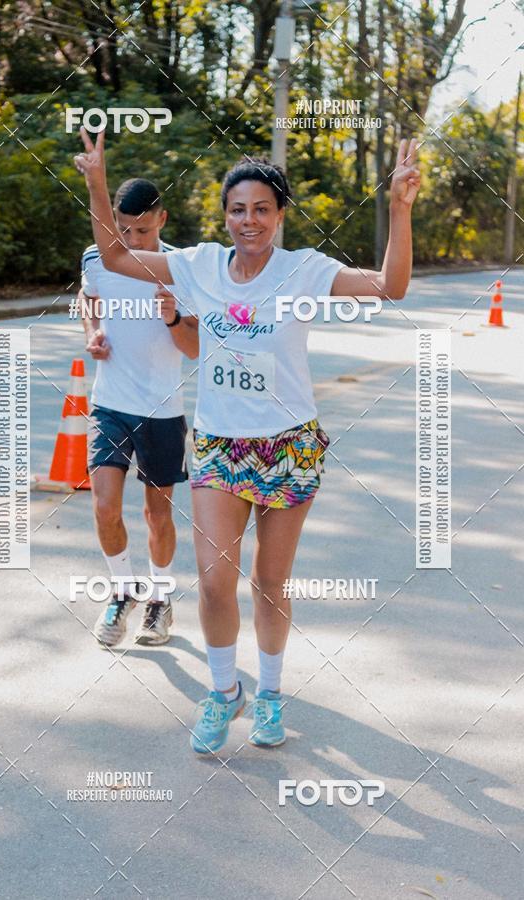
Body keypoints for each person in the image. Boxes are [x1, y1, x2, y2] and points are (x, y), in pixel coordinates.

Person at [74, 130, 420, 753]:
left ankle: (270, 696)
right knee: (214, 582)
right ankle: (223, 691)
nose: (249, 220)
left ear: (280, 214)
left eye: (262, 208)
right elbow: (116, 258)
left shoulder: (304, 269)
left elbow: (389, 286)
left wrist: (399, 206)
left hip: (288, 446)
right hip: (219, 445)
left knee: (269, 583)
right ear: (225, 215)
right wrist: (98, 185)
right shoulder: (201, 265)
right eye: (238, 209)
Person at [80, 177, 198, 649]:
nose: (131, 240)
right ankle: (122, 591)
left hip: (162, 411)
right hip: (109, 404)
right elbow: (90, 298)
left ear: (162, 220)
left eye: (143, 231)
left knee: (157, 515)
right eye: (123, 230)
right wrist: (93, 332)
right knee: (104, 506)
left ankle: (160, 599)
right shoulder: (96, 258)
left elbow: (193, 347)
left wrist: (172, 317)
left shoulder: (182, 268)